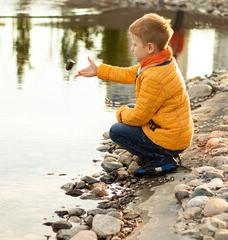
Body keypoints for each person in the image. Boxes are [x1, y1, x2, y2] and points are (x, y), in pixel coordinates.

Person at [75, 13, 194, 177]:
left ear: (150, 48)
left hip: (171, 138)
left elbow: (139, 118)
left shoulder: (155, 77)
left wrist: (121, 112)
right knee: (131, 111)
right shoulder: (160, 62)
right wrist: (99, 70)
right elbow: (130, 74)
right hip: (173, 131)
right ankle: (162, 153)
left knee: (117, 131)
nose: (132, 48)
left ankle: (161, 159)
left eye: (135, 44)